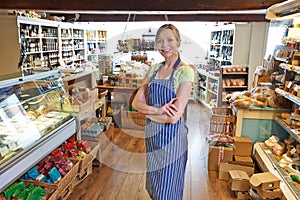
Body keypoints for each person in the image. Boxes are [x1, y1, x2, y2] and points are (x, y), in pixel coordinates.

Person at [132, 24, 195, 200]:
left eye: (169, 40)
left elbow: (173, 117)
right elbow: (136, 103)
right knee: (155, 186)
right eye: (160, 41)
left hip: (172, 140)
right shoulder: (153, 70)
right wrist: (157, 110)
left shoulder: (184, 72)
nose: (164, 45)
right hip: (152, 137)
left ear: (178, 42)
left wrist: (147, 113)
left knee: (169, 189)